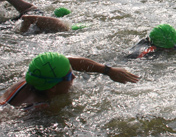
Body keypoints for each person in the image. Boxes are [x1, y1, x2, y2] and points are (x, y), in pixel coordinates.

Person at [0, 52, 139, 110]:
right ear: (53, 88)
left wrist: (108, 70)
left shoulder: (34, 78)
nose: (74, 77)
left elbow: (67, 61)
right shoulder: (38, 109)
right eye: (69, 76)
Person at [1, 0, 71, 33]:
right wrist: (20, 34)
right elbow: (27, 18)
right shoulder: (60, 26)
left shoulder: (61, 26)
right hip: (30, 12)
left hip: (32, 11)